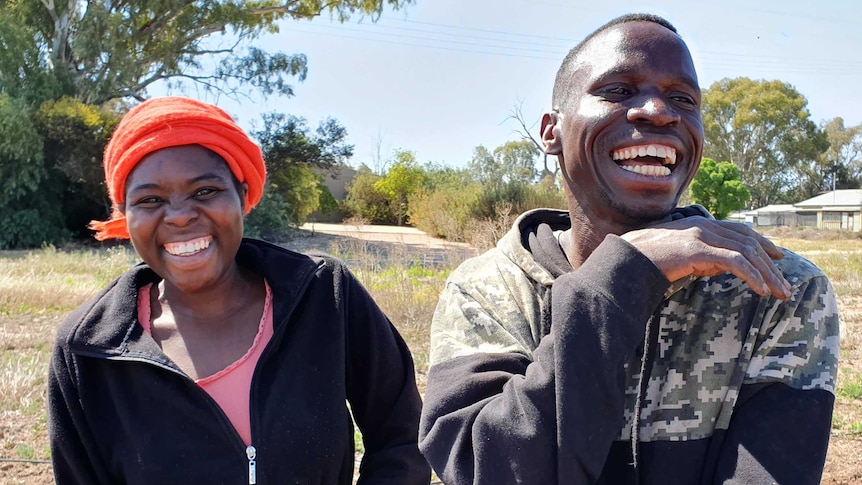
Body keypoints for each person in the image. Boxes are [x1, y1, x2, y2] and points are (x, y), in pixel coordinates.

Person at [418, 13, 840, 485]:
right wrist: (619, 281)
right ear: (551, 132)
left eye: (683, 99)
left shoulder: (774, 287)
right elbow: (490, 470)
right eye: (618, 90)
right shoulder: (486, 291)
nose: (659, 112)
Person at [47, 96, 430, 484]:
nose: (180, 215)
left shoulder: (323, 296)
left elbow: (402, 435)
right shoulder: (88, 351)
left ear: (242, 195)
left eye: (205, 191)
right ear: (125, 217)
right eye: (150, 200)